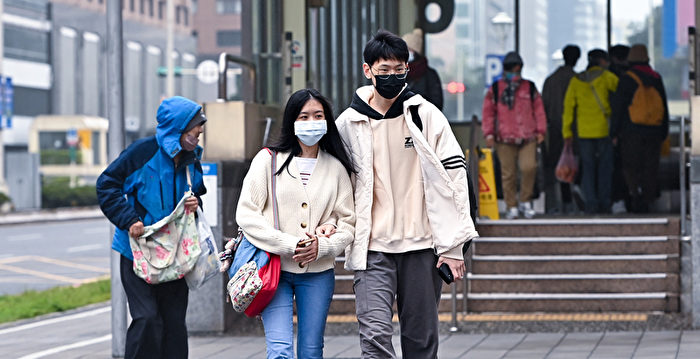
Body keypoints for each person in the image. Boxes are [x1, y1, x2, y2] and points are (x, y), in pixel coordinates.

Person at [336, 29, 478, 358]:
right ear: (367, 70)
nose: (391, 77)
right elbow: (333, 185)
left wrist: (454, 246)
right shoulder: (347, 124)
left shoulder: (426, 115)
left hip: (421, 247)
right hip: (372, 248)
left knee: (420, 339)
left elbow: (456, 178)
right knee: (374, 336)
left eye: (399, 70)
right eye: (383, 70)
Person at [235, 88, 356, 359]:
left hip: (318, 273)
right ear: (291, 121)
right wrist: (291, 244)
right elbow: (247, 215)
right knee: (279, 351)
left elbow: (348, 222)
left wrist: (323, 246)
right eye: (303, 116)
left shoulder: (336, 167)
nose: (311, 122)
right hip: (273, 270)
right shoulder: (268, 160)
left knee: (311, 351)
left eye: (318, 115)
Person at [96, 96, 207, 359]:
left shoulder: (193, 158)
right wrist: (129, 219)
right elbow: (107, 184)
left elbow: (198, 192)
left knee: (174, 326)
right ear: (179, 127)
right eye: (196, 125)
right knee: (147, 318)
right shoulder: (142, 152)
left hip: (176, 254)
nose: (200, 131)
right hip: (137, 253)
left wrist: (195, 201)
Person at [482, 52, 547, 219]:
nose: (515, 74)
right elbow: (488, 113)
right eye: (512, 70)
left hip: (528, 137)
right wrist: (489, 134)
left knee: (529, 167)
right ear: (506, 70)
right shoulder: (496, 89)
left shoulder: (530, 88)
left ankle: (525, 200)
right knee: (508, 173)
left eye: (518, 71)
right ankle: (512, 206)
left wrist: (541, 130)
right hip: (504, 138)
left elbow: (539, 111)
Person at [611, 44, 669, 213]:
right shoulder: (656, 77)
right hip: (654, 131)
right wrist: (663, 131)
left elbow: (619, 108)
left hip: (632, 131)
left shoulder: (627, 79)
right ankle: (648, 199)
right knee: (650, 166)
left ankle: (635, 195)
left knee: (631, 166)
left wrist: (614, 132)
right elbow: (663, 106)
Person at [562, 49, 619, 214]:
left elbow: (568, 108)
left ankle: (591, 204)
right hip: (604, 131)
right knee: (605, 168)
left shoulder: (576, 81)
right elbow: (621, 93)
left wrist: (567, 132)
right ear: (601, 62)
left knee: (588, 169)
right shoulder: (606, 77)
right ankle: (605, 202)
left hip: (584, 132)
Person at [542, 45, 580, 214]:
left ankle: (554, 204)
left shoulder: (551, 80)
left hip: (555, 130)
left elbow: (544, 107)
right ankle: (574, 202)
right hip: (577, 132)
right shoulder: (579, 80)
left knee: (555, 167)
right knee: (575, 165)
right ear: (577, 59)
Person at [402, 28, 444, 110]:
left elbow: (437, 104)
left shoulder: (430, 75)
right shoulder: (399, 73)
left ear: (415, 52)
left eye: (408, 49)